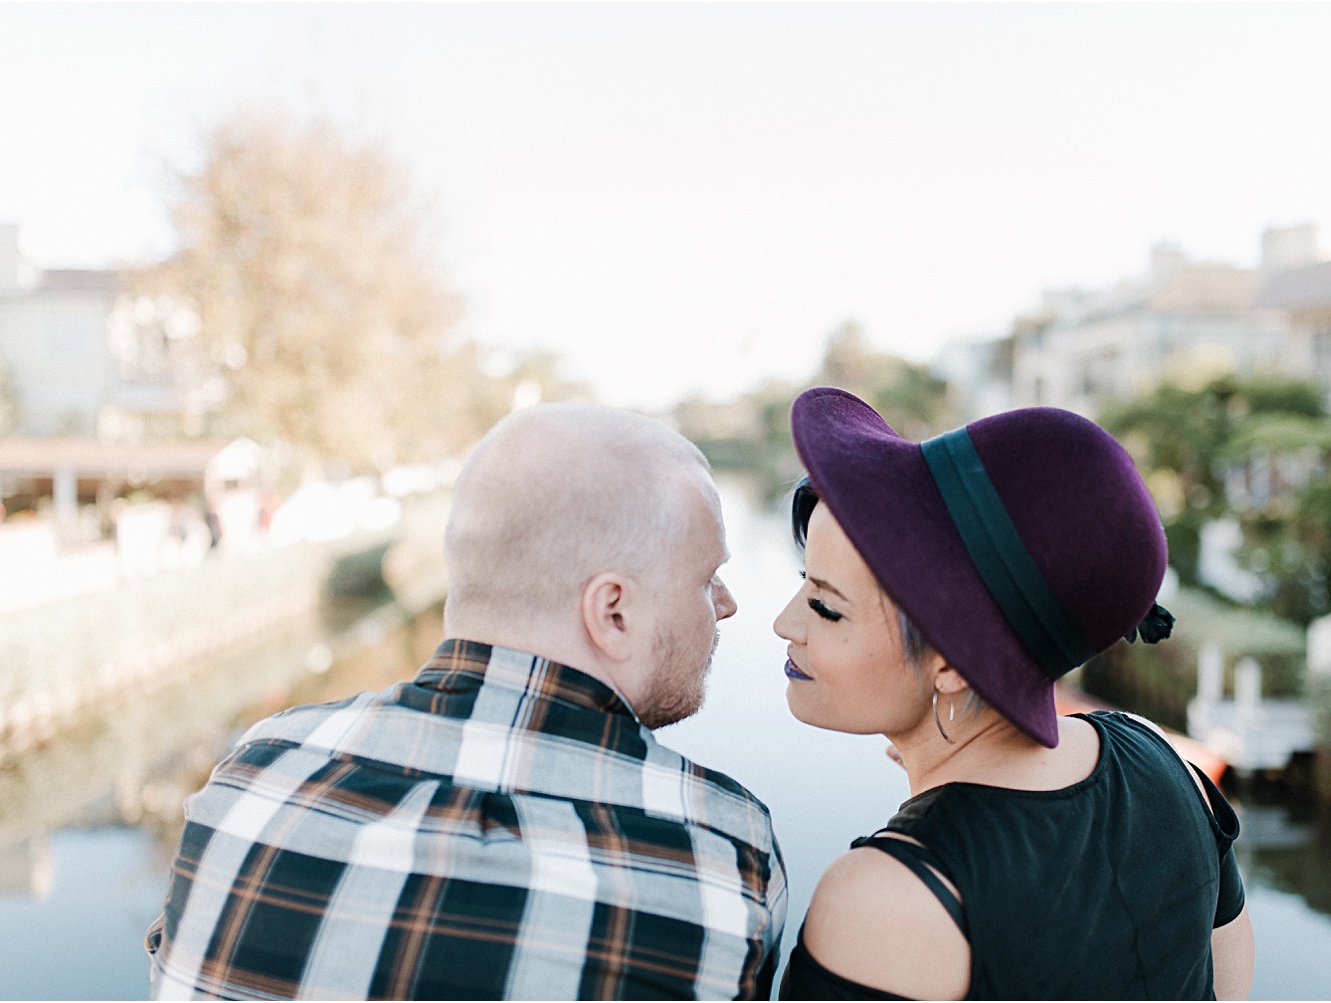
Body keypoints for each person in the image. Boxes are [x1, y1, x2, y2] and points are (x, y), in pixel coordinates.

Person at [146, 403, 787, 1000]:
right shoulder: (721, 851)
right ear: (613, 611)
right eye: (707, 578)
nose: (727, 603)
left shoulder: (254, 778)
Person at [773, 387, 1254, 1001]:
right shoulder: (1171, 768)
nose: (785, 623)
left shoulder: (887, 900)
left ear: (951, 665)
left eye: (824, 606)